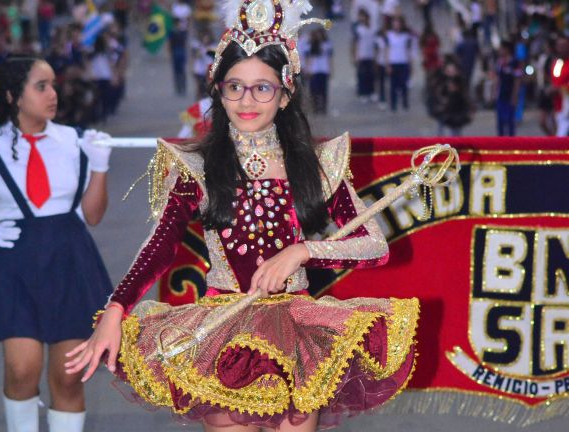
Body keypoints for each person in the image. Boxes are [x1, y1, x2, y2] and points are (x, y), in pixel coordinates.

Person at [65, 2, 418, 432]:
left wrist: (302, 252)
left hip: (297, 335)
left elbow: (375, 246)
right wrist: (116, 310)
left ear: (286, 94)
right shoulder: (196, 166)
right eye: (235, 87)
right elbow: (158, 246)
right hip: (222, 334)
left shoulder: (318, 163)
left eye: (262, 88)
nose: (246, 101)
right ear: (218, 89)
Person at [0, 56, 113, 432]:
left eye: (53, 85)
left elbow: (93, 216)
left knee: (67, 377)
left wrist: (100, 167)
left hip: (72, 260)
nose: (53, 94)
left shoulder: (74, 139)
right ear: (13, 96)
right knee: (21, 369)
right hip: (16, 263)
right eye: (41, 86)